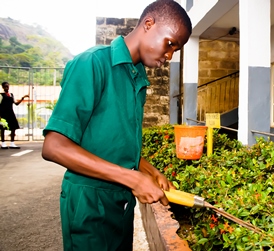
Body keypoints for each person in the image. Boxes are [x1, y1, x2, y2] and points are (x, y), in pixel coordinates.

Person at [41, 0, 192, 250]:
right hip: (89, 204)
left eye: (176, 50)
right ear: (148, 24)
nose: (169, 56)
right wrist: (132, 180)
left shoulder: (138, 78)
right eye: (170, 44)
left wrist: (148, 170)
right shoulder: (92, 63)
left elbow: (112, 141)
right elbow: (54, 147)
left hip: (120, 205)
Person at [0, 81, 29, 149]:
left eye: (8, 86)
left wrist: (23, 98)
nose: (7, 87)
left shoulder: (11, 95)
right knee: (2, 128)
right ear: (3, 87)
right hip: (3, 113)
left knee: (13, 128)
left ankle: (12, 143)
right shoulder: (1, 95)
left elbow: (16, 103)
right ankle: (3, 143)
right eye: (5, 86)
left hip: (10, 113)